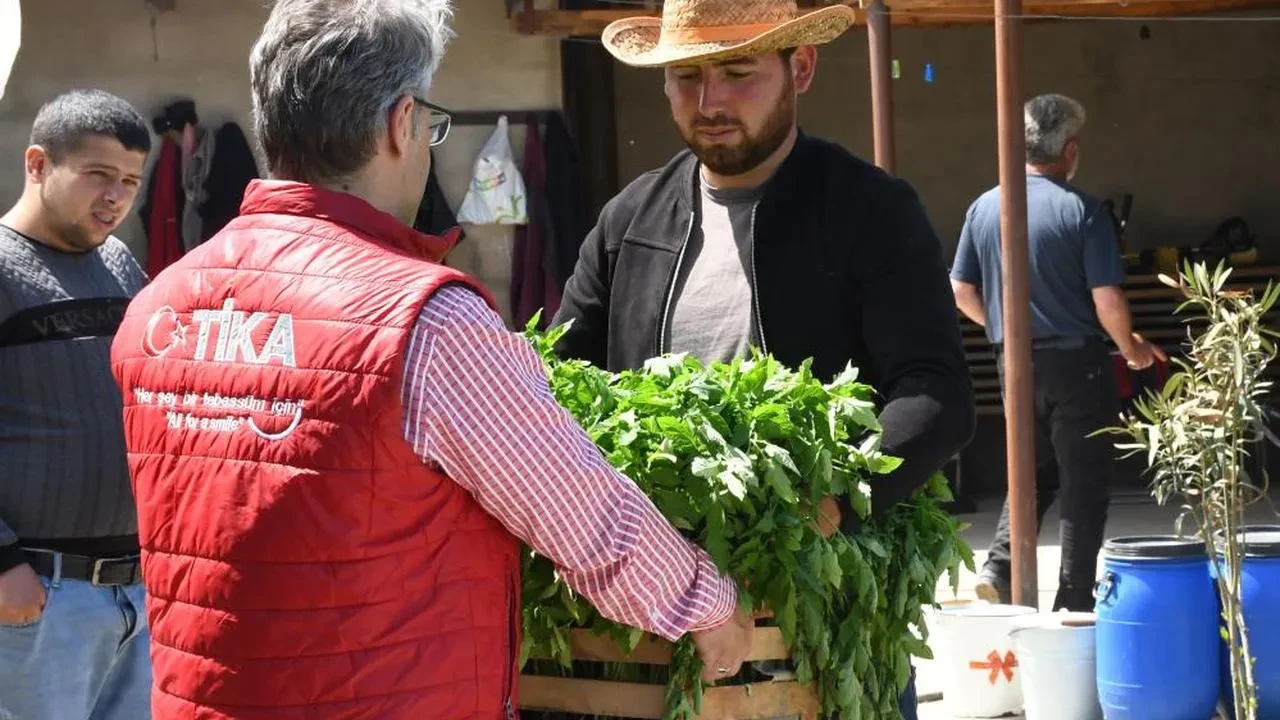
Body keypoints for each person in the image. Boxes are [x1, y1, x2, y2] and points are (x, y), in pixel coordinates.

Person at [108, 1, 751, 718]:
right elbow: (585, 516)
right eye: (430, 127)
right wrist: (708, 607)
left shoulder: (159, 307)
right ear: (402, 122)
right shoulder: (425, 322)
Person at [550, 0, 976, 715]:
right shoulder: (630, 219)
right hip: (654, 628)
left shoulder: (869, 211)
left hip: (823, 619)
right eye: (687, 76)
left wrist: (826, 504)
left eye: (738, 72)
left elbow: (937, 396)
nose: (709, 102)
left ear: (799, 68)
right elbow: (556, 386)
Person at [950, 93, 1166, 611]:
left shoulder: (985, 206)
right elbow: (1107, 300)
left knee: (1030, 471)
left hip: (1012, 363)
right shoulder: (1083, 211)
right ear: (1069, 150)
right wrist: (1131, 349)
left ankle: (999, 569)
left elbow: (960, 290)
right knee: (1084, 482)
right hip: (1076, 365)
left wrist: (1006, 329)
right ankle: (1072, 599)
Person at [0, 88, 153, 720]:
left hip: (134, 595)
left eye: (130, 181)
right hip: (34, 595)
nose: (115, 196)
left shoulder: (119, 264)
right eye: (97, 174)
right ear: (38, 164)